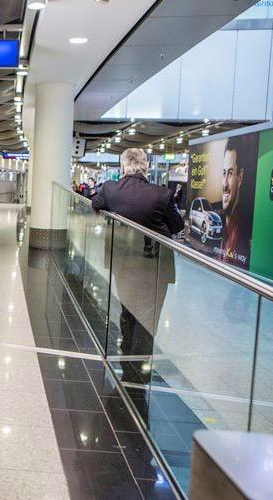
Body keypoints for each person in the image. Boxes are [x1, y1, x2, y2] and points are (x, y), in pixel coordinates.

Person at [92, 148, 182, 384]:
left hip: (124, 264)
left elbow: (95, 204)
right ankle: (138, 369)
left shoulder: (111, 190)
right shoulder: (161, 195)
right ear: (146, 167)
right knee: (148, 318)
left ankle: (127, 358)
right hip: (155, 267)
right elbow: (177, 226)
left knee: (128, 310)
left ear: (123, 167)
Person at [219, 139, 253, 268]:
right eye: (224, 173)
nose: (225, 184)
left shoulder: (238, 235)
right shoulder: (227, 229)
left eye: (231, 173)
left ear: (240, 177)